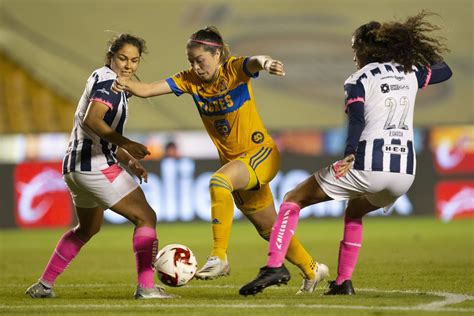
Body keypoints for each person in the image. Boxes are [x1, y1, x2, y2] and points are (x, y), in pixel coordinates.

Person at [240, 11, 452, 296]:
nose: (354, 55)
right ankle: (342, 282)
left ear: (366, 49)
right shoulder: (410, 71)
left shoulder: (359, 78)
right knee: (354, 211)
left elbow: (356, 119)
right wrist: (413, 48)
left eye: (355, 48)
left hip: (369, 166)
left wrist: (349, 154)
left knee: (292, 199)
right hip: (404, 173)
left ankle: (274, 265)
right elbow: (445, 70)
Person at [113, 26, 328, 293]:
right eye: (191, 60)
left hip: (260, 153)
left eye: (200, 60)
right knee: (268, 228)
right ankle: (312, 269)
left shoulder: (233, 69)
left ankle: (219, 256)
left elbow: (254, 62)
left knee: (219, 182)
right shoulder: (189, 80)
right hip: (236, 162)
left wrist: (267, 62)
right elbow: (146, 89)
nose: (195, 66)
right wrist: (118, 80)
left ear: (216, 55)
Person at [25, 34, 174, 299]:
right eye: (122, 58)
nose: (128, 66)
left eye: (134, 60)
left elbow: (98, 133)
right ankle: (146, 288)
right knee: (146, 217)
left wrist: (129, 159)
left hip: (74, 168)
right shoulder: (109, 81)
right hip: (93, 166)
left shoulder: (102, 79)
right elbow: (92, 120)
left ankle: (44, 285)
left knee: (87, 229)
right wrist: (128, 143)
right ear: (111, 57)